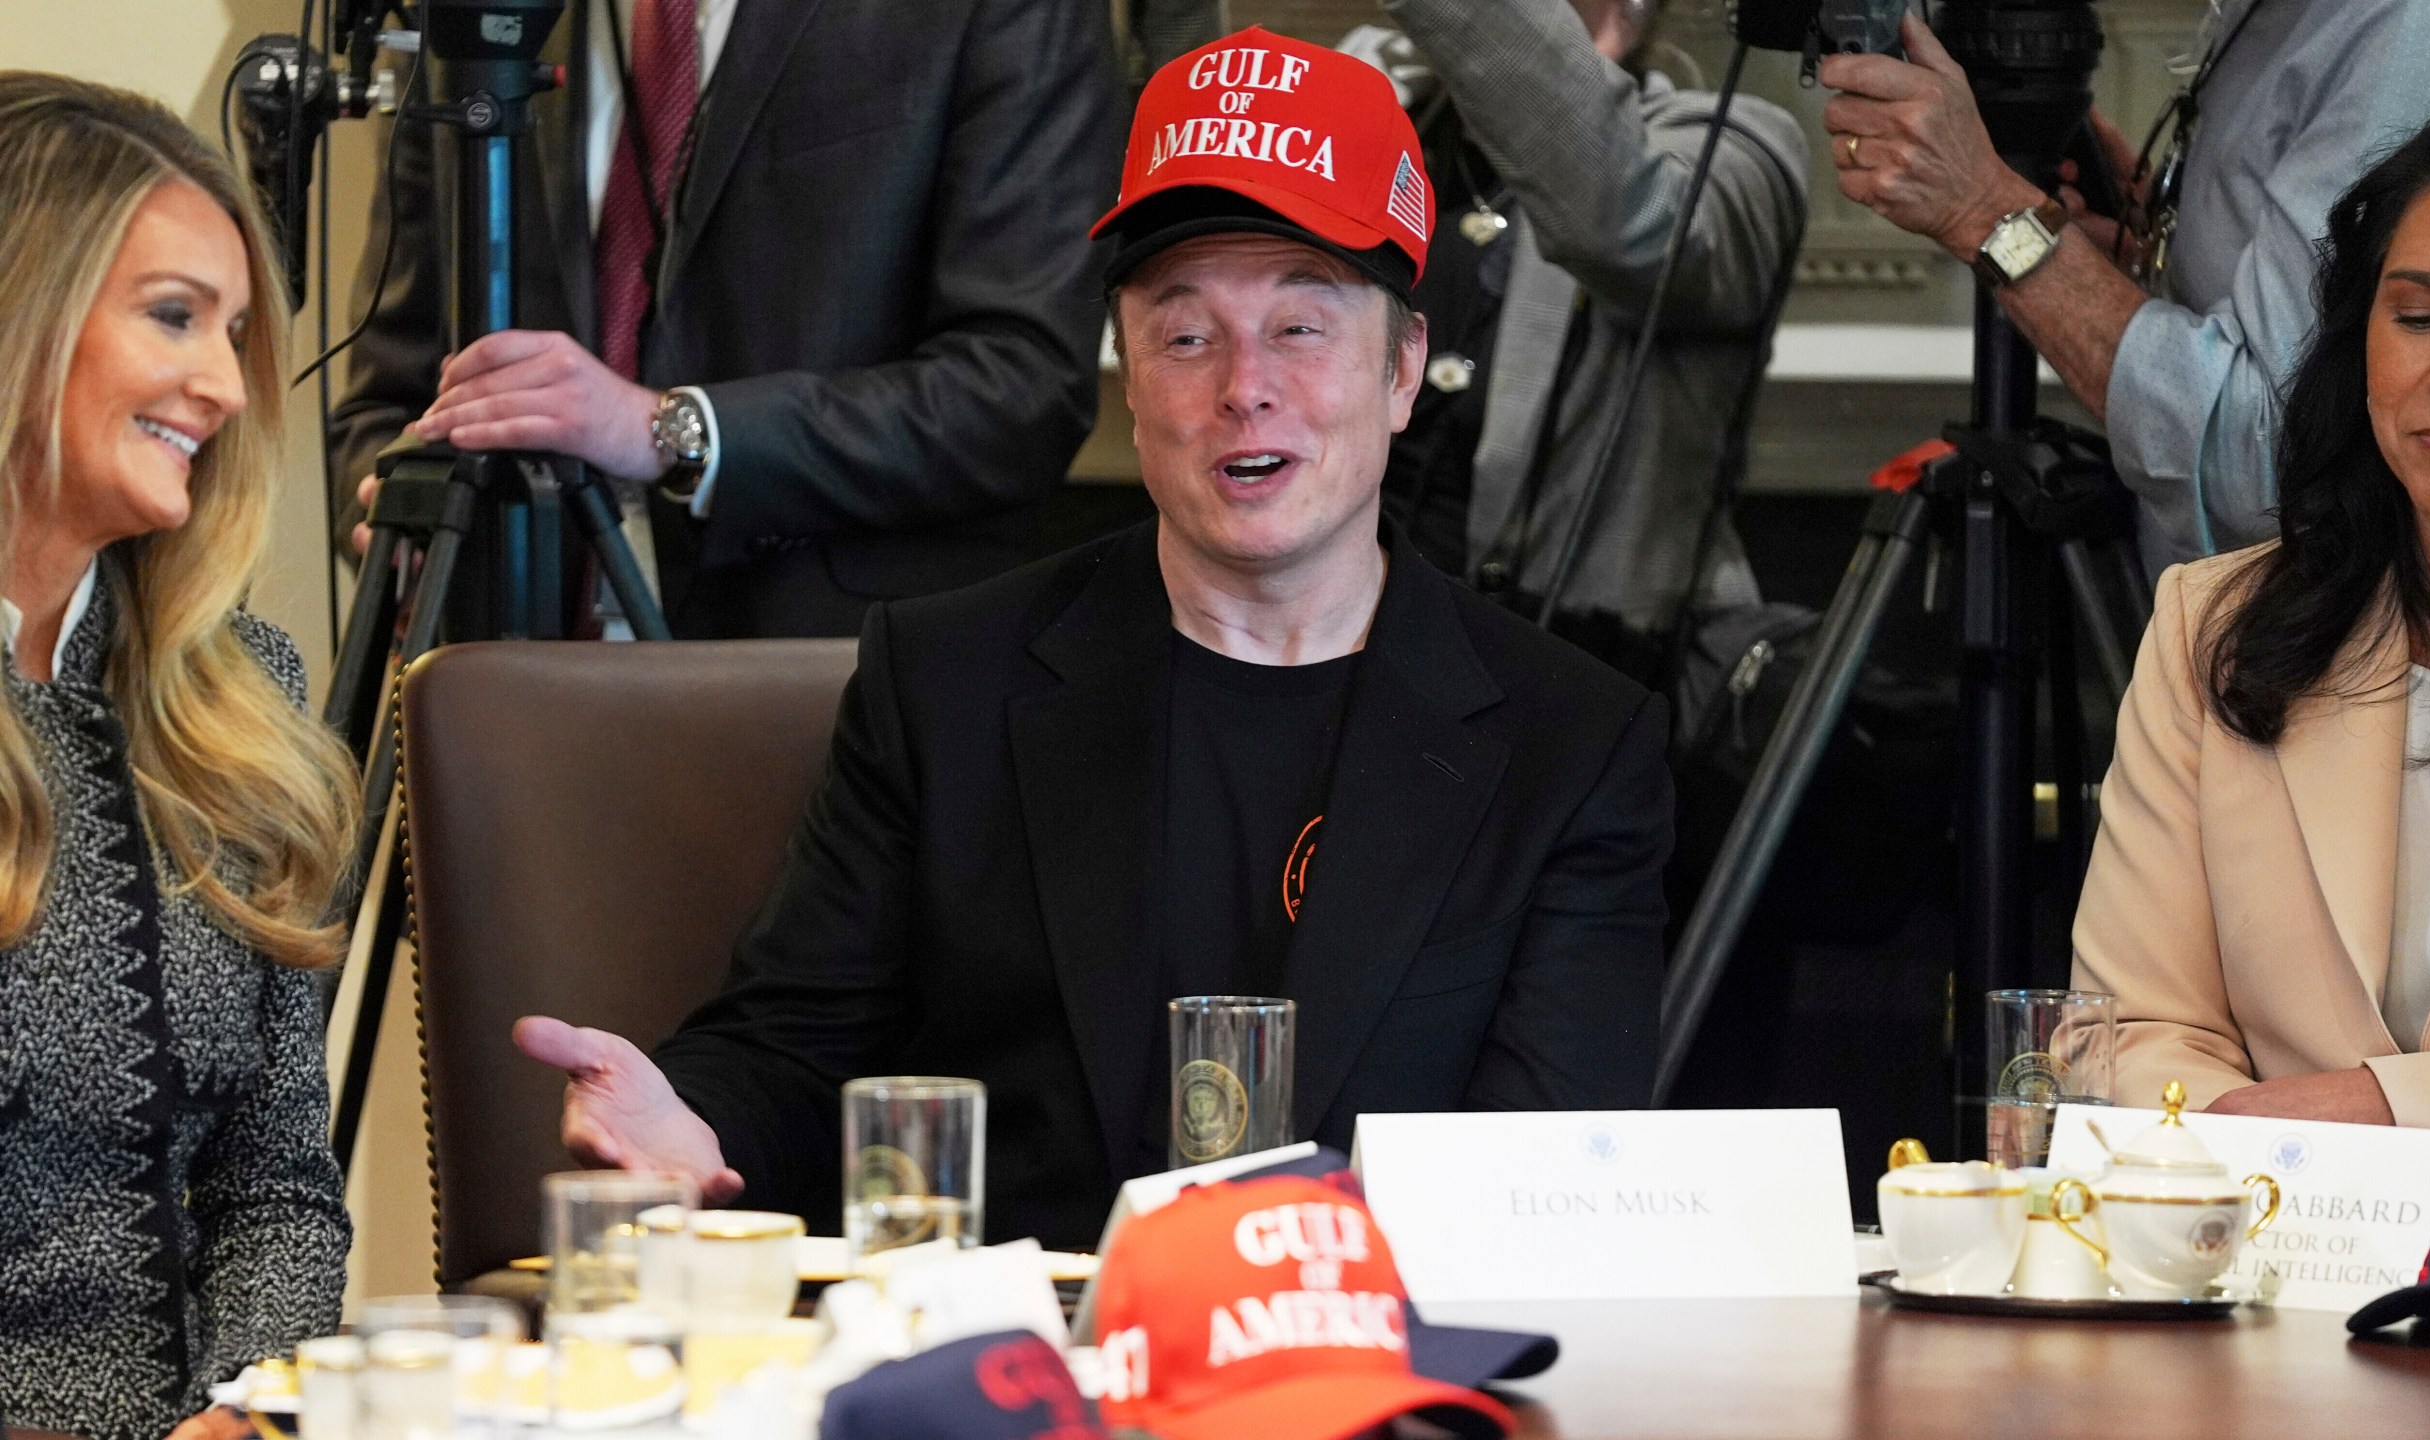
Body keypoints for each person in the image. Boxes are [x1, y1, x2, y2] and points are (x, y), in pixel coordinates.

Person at [513, 29, 1673, 1249]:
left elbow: (1550, 1187)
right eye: (1186, 335)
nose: (1243, 385)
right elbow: (795, 1052)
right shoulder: (944, 680)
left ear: (1401, 371)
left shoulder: (1573, 744)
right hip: (1024, 1381)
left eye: (1301, 326)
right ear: (1129, 372)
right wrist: (690, 1120)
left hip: (1382, 1381)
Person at [2073, 83, 2430, 1129]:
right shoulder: (2216, 628)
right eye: (2417, 316)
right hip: (2260, 1259)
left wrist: (2391, 1113)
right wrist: (2281, 1172)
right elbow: (2127, 1029)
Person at [329, 0, 1123, 637]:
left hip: (827, 706)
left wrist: (669, 432)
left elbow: (1023, 386)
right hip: (508, 709)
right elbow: (384, 402)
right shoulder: (476, 19)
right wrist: (395, 525)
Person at [0, 74, 360, 1440]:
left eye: (235, 331)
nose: (222, 384)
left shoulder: (242, 703)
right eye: (173, 317)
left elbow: (277, 1188)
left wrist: (255, 1415)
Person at [1820, 1, 2430, 572]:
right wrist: (2126, 265)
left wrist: (1987, 214)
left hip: (2344, 688)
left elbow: (2267, 458)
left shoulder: (2428, 26)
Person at [1339, 0, 1804, 676]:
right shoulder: (1380, 108)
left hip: (1583, 673)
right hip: (1347, 654)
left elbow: (1632, 226)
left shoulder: (1738, 149)